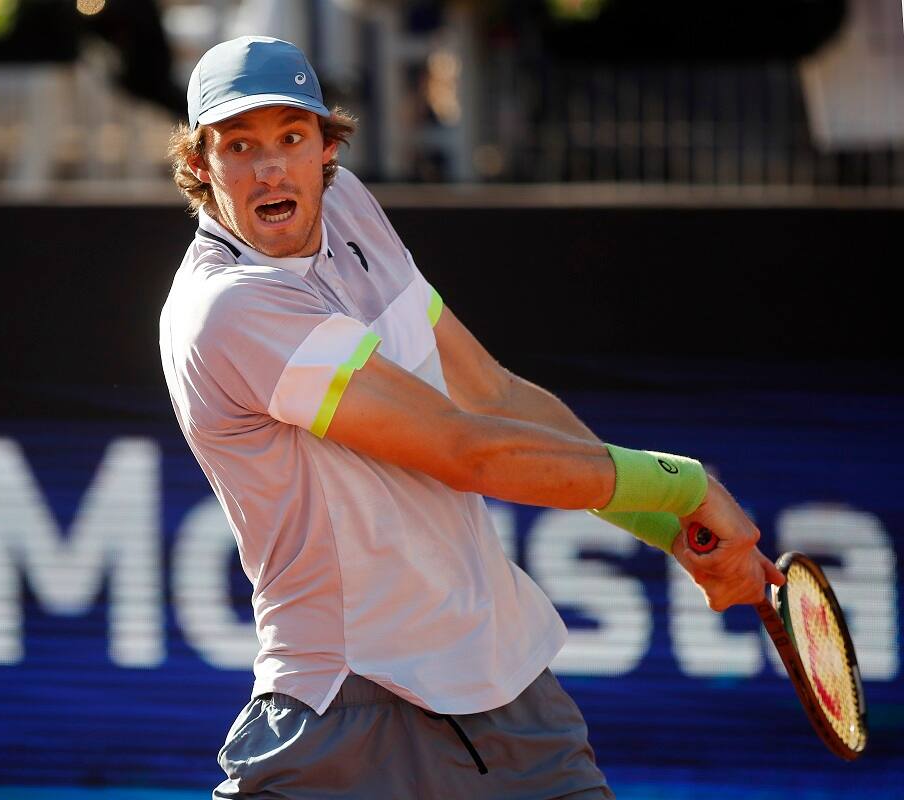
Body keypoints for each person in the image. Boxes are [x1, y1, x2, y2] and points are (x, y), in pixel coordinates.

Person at [159, 35, 784, 799]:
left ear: (327, 146)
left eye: (292, 138)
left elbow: (489, 392)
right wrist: (682, 487)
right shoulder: (228, 308)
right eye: (238, 146)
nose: (269, 168)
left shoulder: (349, 204)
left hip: (509, 693)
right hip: (343, 713)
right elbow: (467, 451)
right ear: (199, 165)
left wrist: (672, 533)